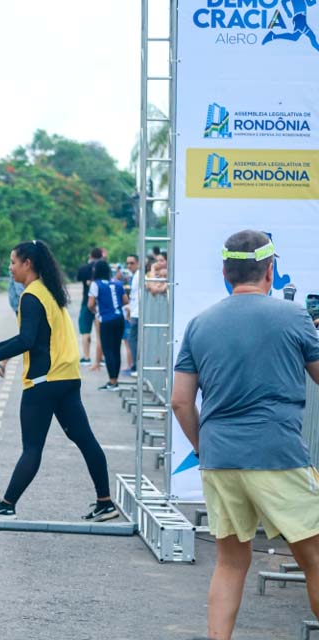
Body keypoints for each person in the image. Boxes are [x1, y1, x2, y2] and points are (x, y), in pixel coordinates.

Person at [171, 230, 319, 640]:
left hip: (220, 458)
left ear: (225, 271)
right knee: (314, 557)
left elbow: (181, 402)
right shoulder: (294, 317)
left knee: (231, 562)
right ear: (270, 270)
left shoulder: (200, 324)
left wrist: (204, 448)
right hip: (278, 454)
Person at [0, 240, 116, 522]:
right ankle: (105, 502)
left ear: (27, 264)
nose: (10, 268)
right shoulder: (48, 292)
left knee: (32, 447)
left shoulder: (31, 295)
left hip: (44, 382)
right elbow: (33, 336)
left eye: (13, 262)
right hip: (67, 377)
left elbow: (27, 340)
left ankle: (7, 504)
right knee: (85, 440)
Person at [88, 260, 128, 391]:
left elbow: (90, 304)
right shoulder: (117, 283)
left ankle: (112, 381)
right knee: (116, 349)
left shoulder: (96, 284)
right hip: (119, 318)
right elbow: (125, 300)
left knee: (108, 350)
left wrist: (96, 311)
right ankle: (115, 380)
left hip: (106, 319)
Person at [76, 248, 103, 366]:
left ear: (90, 255)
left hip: (86, 301)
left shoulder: (84, 268)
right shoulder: (103, 267)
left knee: (85, 330)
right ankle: (101, 358)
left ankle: (86, 357)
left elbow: (78, 277)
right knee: (100, 333)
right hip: (101, 303)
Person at [124, 254, 140, 377]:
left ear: (138, 263)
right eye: (128, 263)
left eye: (132, 263)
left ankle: (136, 366)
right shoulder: (134, 276)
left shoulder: (139, 275)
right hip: (134, 312)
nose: (129, 265)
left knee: (132, 340)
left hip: (138, 313)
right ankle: (135, 365)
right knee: (132, 340)